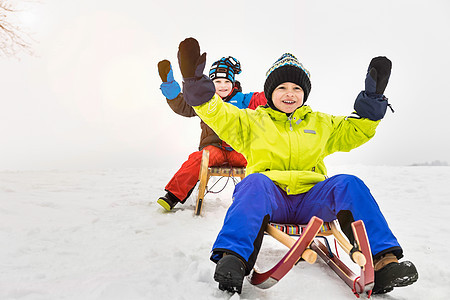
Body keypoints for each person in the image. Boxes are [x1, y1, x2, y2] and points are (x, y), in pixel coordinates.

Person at [176, 37, 418, 295]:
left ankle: (384, 262)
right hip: (271, 198)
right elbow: (217, 113)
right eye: (281, 87)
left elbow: (355, 129)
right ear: (270, 93)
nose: (289, 93)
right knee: (253, 183)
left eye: (296, 88)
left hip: (313, 201)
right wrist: (196, 86)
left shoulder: (321, 123)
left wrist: (373, 101)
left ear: (304, 93)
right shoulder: (251, 121)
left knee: (349, 182)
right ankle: (233, 259)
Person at [156, 56, 266, 211]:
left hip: (239, 149)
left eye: (227, 82)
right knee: (197, 159)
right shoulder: (205, 102)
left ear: (233, 83)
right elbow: (182, 105)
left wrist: (280, 86)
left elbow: (264, 98)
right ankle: (173, 195)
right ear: (210, 84)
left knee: (259, 160)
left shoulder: (243, 100)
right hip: (214, 149)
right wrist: (169, 87)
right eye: (218, 82)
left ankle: (262, 199)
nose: (223, 86)